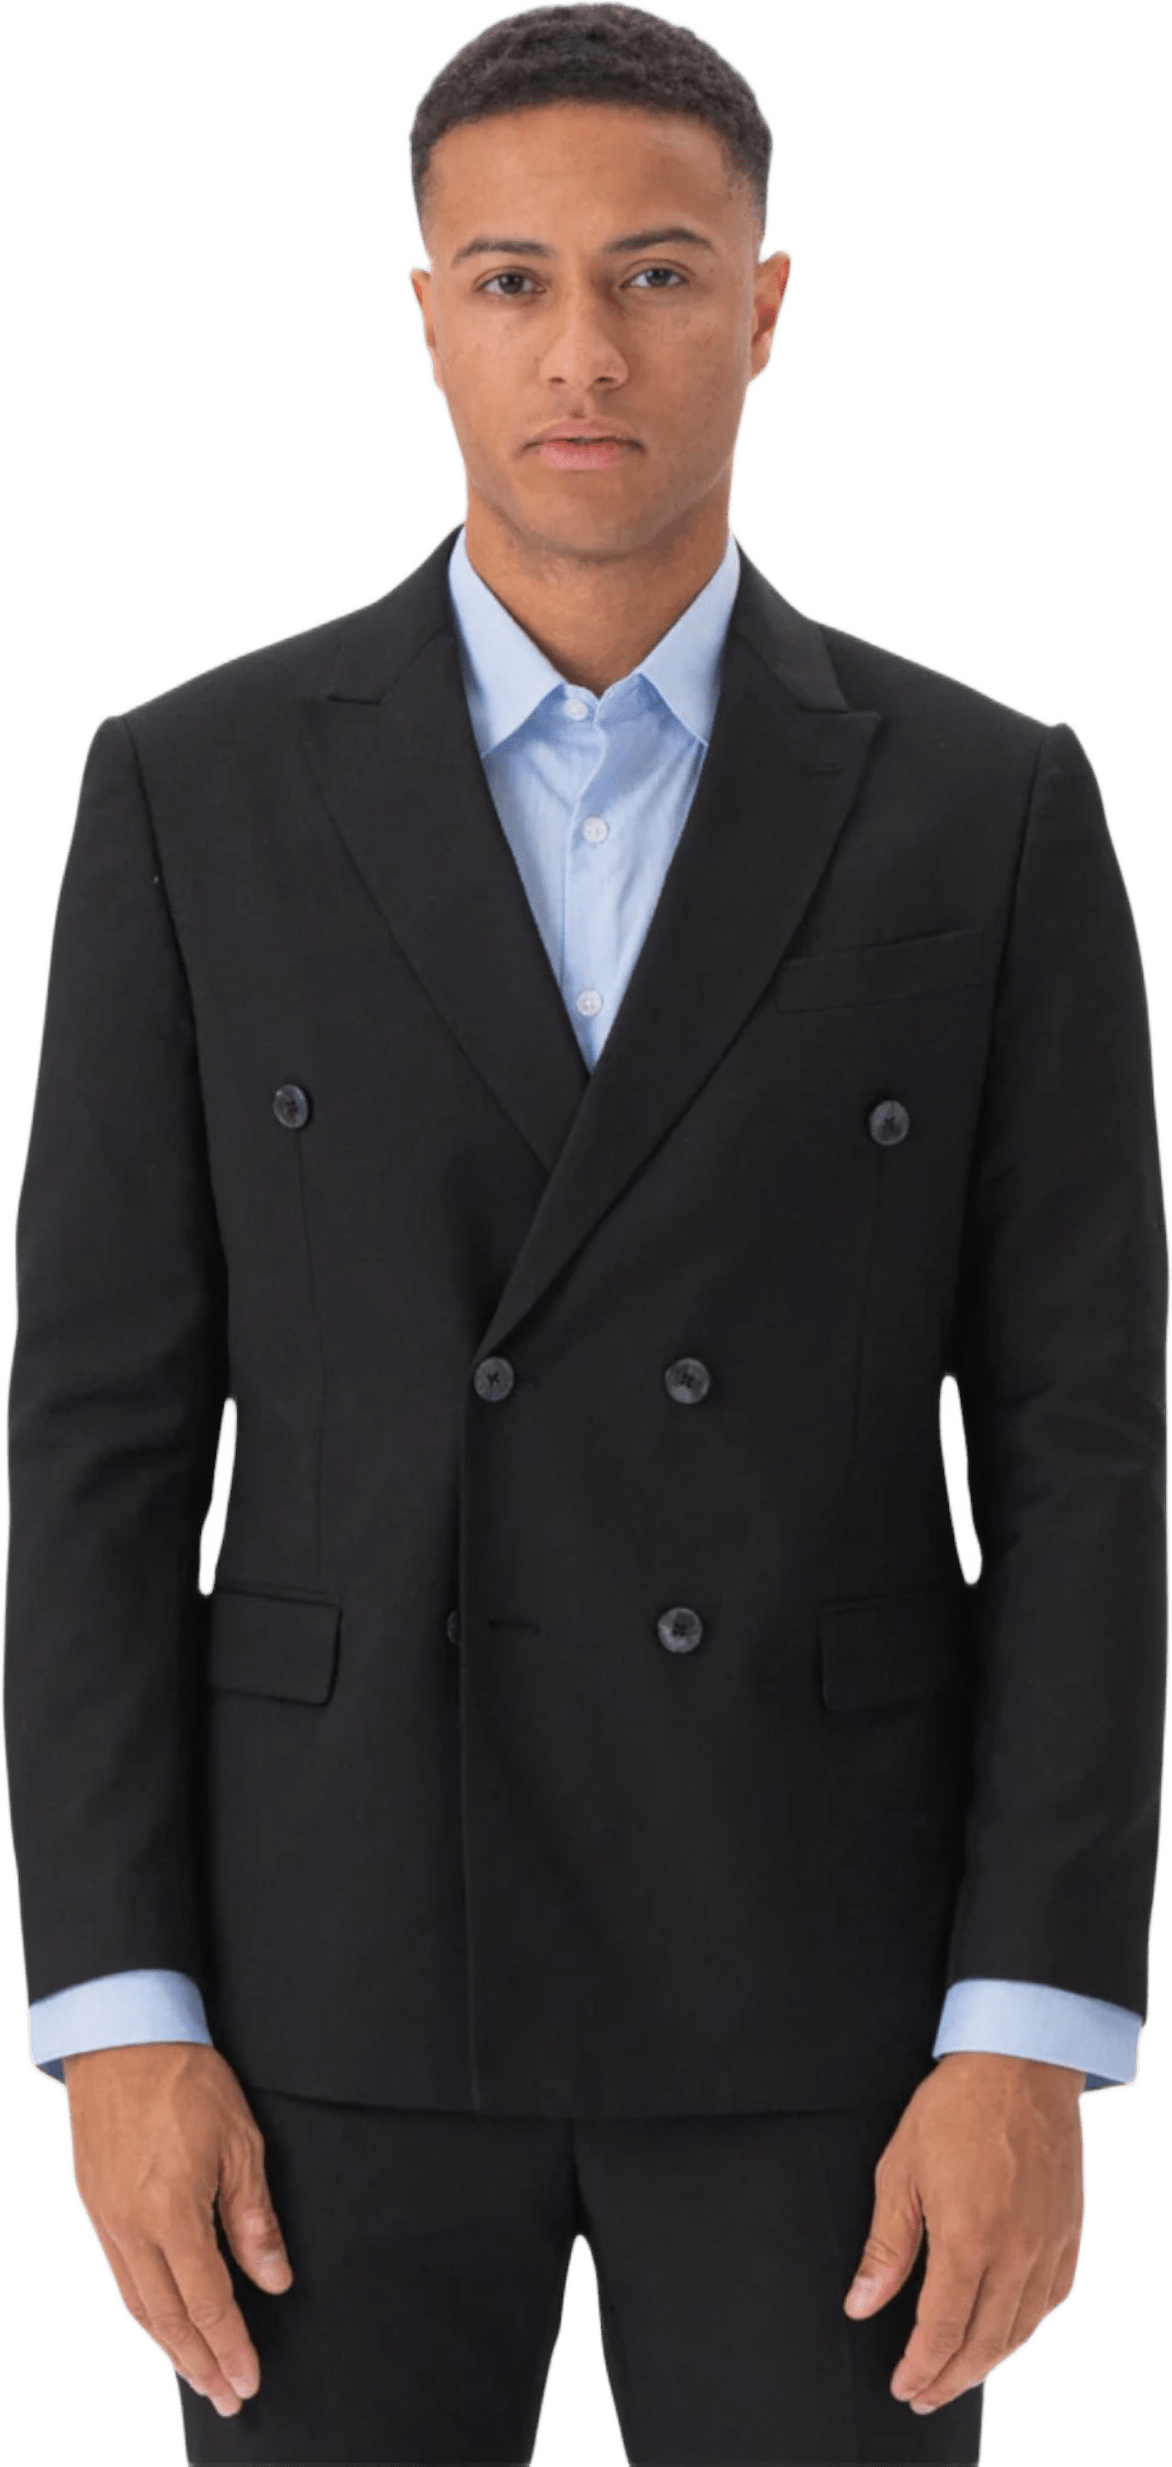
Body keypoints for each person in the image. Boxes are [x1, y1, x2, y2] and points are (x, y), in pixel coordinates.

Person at [2, 4, 1167, 2462]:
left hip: (833, 1991)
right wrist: (116, 2018)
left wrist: (1029, 2032)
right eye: (511, 281)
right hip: (320, 1984)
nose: (583, 353)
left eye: (654, 274)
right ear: (423, 313)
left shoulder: (987, 808)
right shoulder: (193, 792)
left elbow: (1090, 1454)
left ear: (763, 305)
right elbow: (95, 1445)